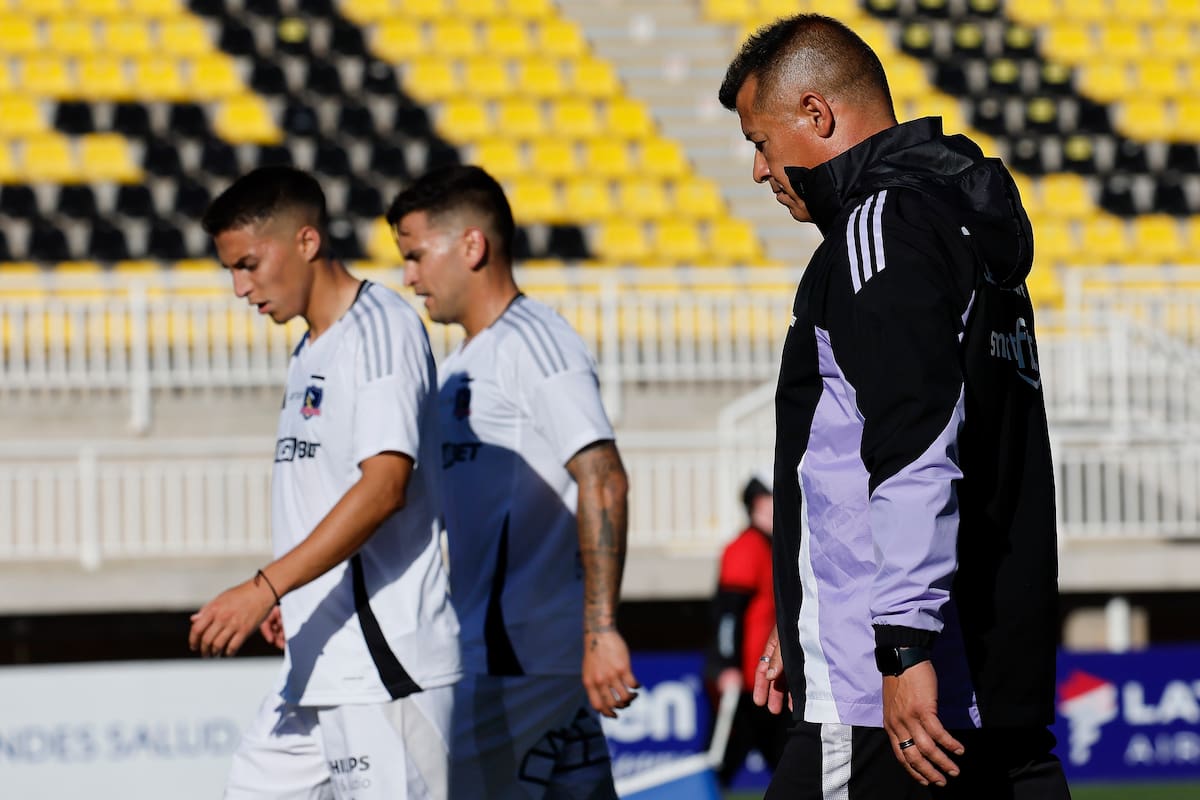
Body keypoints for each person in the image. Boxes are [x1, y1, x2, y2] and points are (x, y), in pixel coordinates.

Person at [718, 14, 1070, 800]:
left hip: (893, 697)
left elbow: (913, 444)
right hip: (991, 676)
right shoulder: (960, 221)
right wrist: (805, 606)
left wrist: (902, 645)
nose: (759, 171)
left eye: (759, 142)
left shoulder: (878, 227)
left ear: (816, 115)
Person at [189, 166, 461, 799]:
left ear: (306, 242)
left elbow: (385, 485)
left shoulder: (380, 329)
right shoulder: (312, 346)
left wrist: (265, 586)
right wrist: (297, 593)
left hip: (383, 671)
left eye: (249, 264)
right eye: (231, 269)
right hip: (318, 665)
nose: (239, 287)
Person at [385, 164, 639, 799]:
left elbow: (603, 477)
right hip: (510, 659)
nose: (409, 276)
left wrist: (601, 630)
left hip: (522, 662)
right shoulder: (462, 367)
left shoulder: (535, 343)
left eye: (416, 254)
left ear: (472, 246)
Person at [707, 475, 790, 786]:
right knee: (718, 767)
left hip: (769, 678)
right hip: (744, 683)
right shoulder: (746, 547)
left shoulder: (772, 547)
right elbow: (728, 614)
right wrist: (728, 666)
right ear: (758, 504)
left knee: (787, 764)